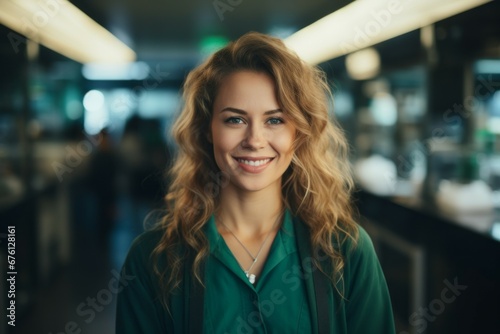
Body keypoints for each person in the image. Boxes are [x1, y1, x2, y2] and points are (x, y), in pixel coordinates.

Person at [115, 32, 396, 334]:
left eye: (275, 120)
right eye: (235, 120)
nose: (255, 141)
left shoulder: (346, 252)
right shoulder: (153, 259)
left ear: (298, 132)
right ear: (208, 129)